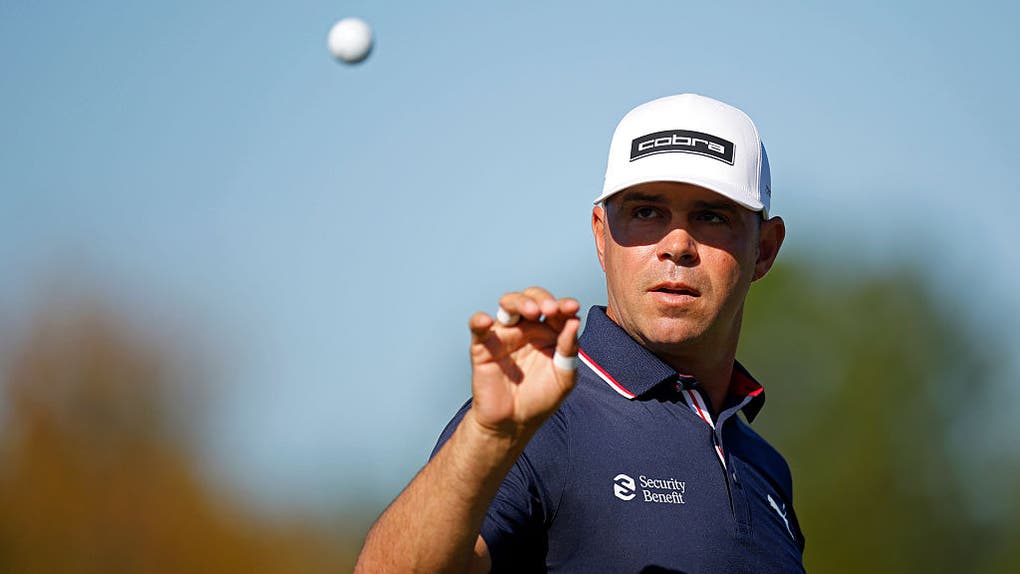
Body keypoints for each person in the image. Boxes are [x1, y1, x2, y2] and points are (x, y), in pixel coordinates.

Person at [355, 93, 805, 573]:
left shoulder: (767, 468)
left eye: (711, 216)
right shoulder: (543, 422)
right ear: (600, 234)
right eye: (646, 212)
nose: (676, 245)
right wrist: (490, 436)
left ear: (765, 249)